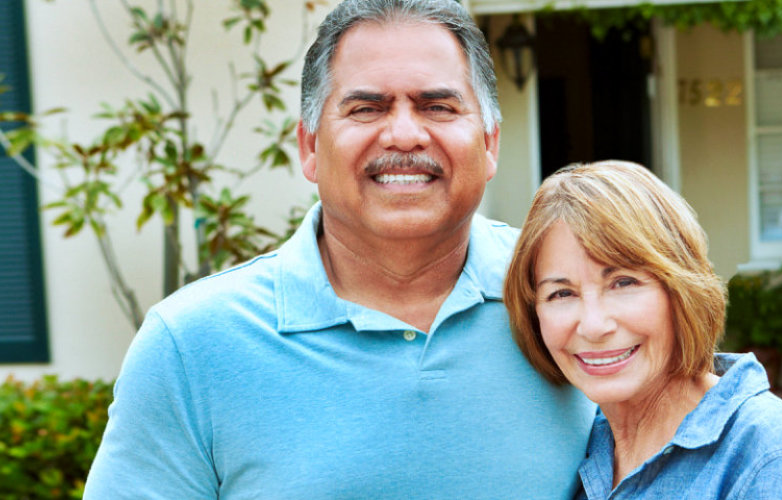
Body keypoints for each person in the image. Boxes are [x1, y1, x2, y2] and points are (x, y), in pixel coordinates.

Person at [82, 0, 594, 497]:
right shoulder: (191, 347)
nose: (404, 133)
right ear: (309, 147)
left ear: (489, 145)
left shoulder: (578, 303)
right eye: (366, 108)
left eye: (437, 106)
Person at [504, 161, 782, 499]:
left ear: (681, 291)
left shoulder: (773, 457)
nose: (594, 325)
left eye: (623, 283)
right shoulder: (573, 446)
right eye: (561, 293)